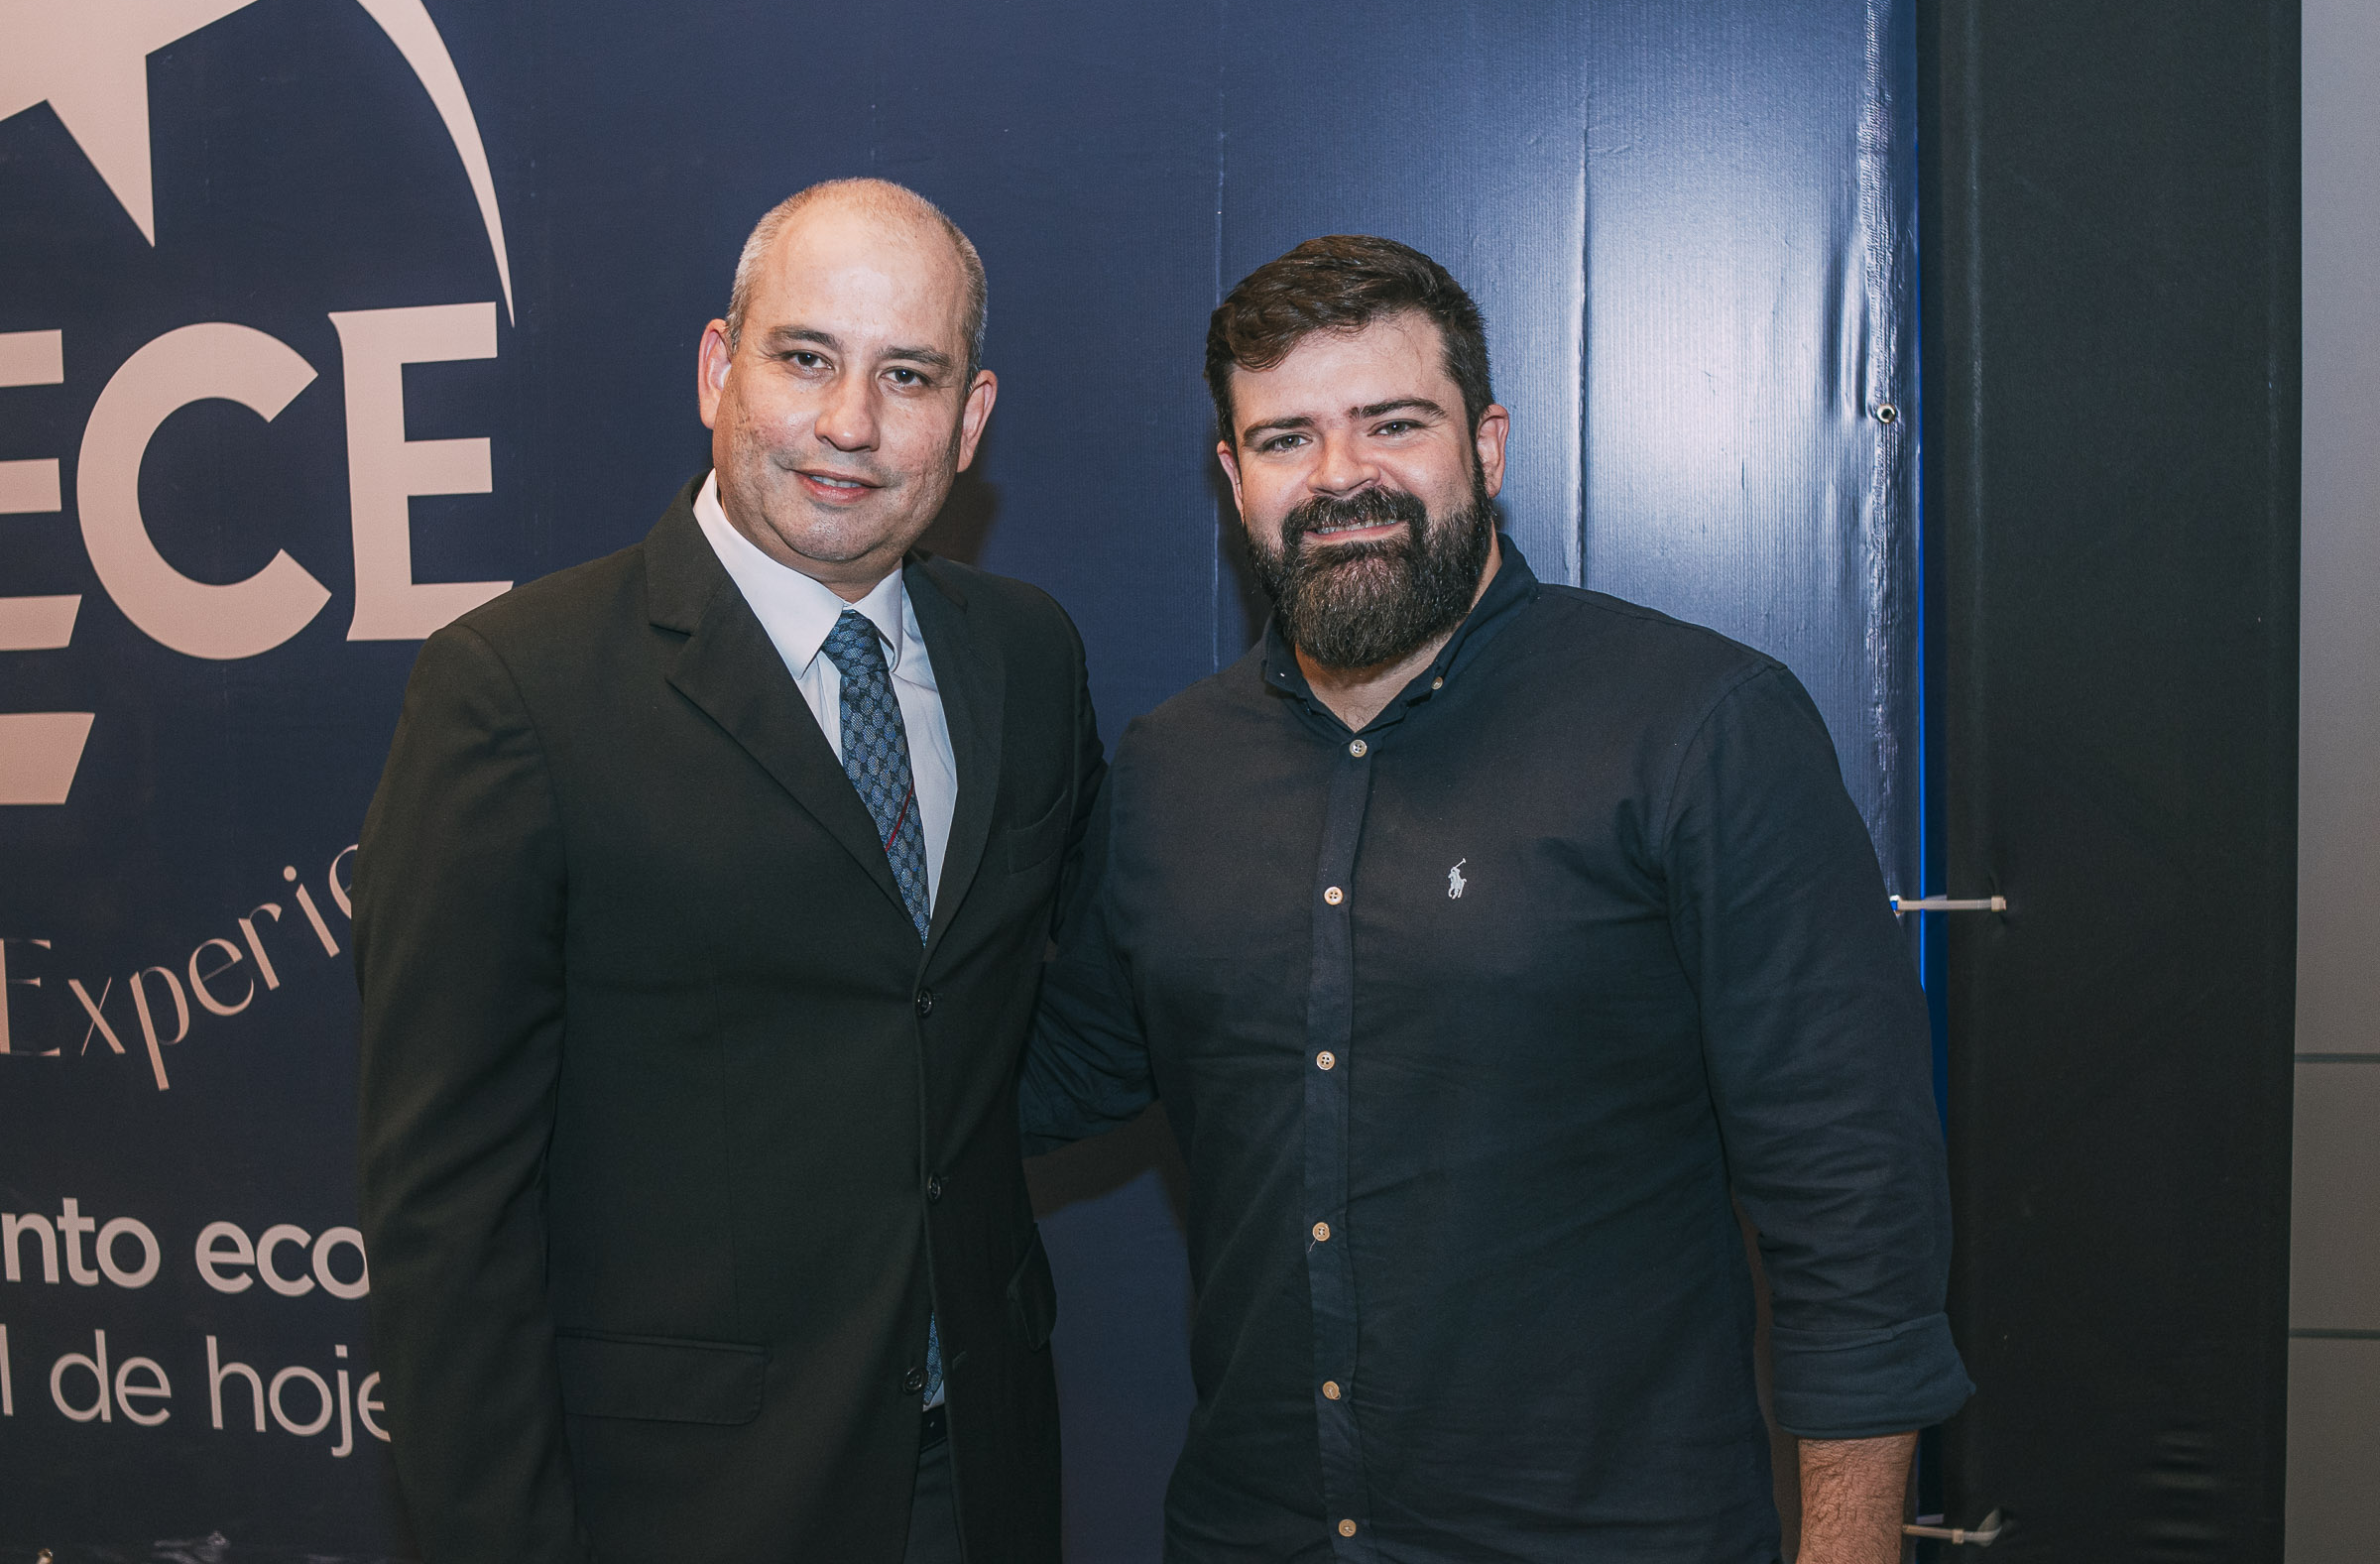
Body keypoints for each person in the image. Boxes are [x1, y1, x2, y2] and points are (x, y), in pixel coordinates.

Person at [1021, 234, 1970, 1564]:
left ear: (1488, 445)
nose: (1341, 475)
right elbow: (1046, 1075)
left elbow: (1851, 1193)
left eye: (1393, 423)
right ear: (1234, 481)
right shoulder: (1172, 770)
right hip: (1255, 1534)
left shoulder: (1698, 728)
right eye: (1287, 438)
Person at [354, 179, 1099, 1564]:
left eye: (909, 376)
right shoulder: (515, 692)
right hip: (679, 1502)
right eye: (806, 357)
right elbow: (448, 1214)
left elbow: (1019, 1012)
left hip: (979, 1469)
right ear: (718, 368)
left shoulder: (1027, 657)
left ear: (971, 417)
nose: (850, 423)